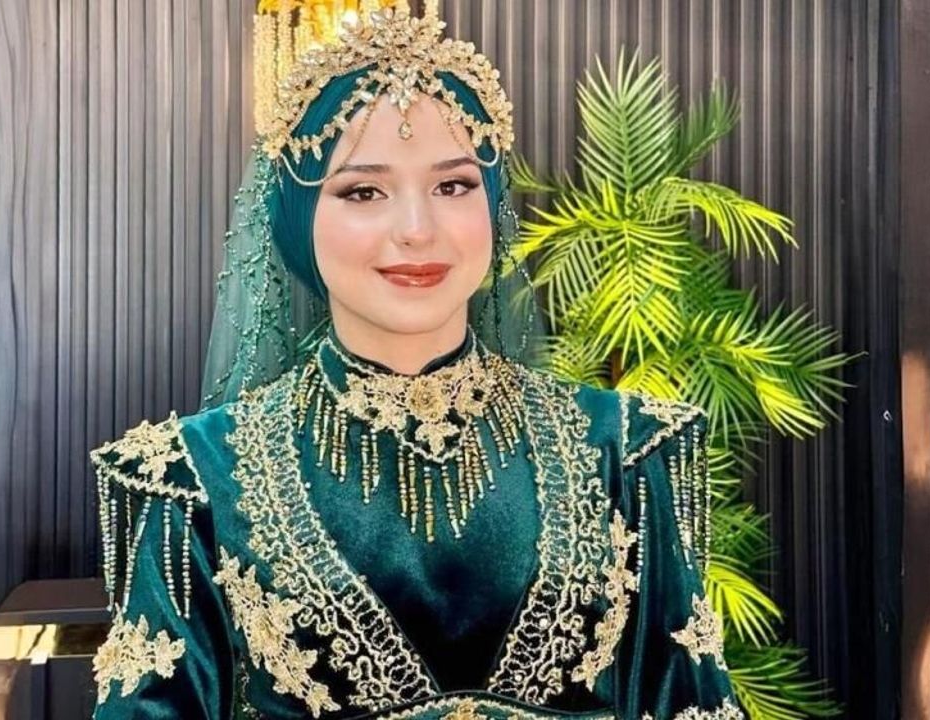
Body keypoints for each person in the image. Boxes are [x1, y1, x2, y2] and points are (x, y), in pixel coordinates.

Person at [88, 7, 741, 719]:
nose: (417, 230)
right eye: (363, 191)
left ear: (492, 203)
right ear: (298, 218)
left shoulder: (624, 448)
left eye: (453, 185)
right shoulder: (194, 479)